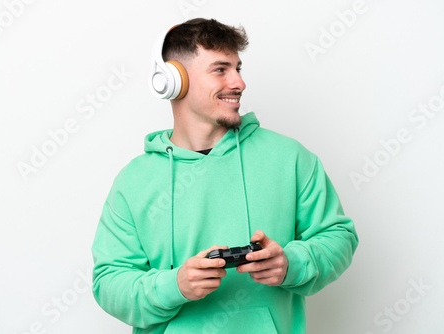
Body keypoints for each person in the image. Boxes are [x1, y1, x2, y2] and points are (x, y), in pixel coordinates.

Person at [91, 18, 358, 334]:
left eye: (238, 69)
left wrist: (291, 263)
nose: (239, 83)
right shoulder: (134, 181)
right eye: (220, 69)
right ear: (174, 80)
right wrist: (174, 285)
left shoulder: (290, 158)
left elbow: (339, 236)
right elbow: (109, 281)